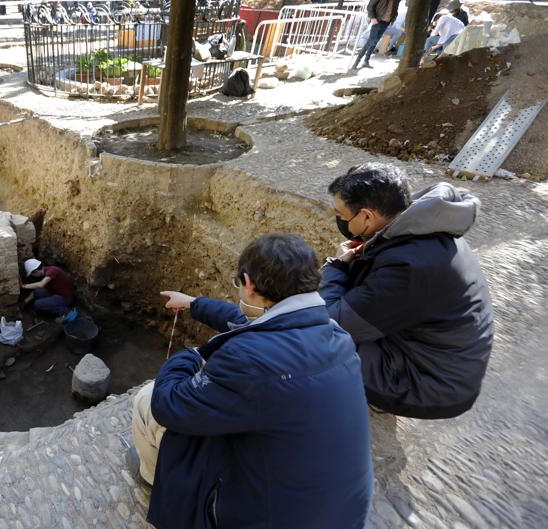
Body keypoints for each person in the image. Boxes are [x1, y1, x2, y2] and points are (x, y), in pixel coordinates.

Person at [131, 233, 373, 529]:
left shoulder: (249, 362)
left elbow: (170, 405)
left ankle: (152, 476)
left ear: (249, 284)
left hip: (261, 518)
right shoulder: (336, 333)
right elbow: (253, 322)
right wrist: (195, 304)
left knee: (147, 398)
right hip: (339, 514)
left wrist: (190, 357)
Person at [320, 163, 493, 419]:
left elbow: (331, 322)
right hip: (441, 358)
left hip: (431, 385)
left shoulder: (409, 266)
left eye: (343, 215)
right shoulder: (425, 226)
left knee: (314, 340)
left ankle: (373, 399)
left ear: (367, 216)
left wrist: (335, 266)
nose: (341, 222)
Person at [22, 258, 78, 323]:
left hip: (66, 297)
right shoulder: (46, 273)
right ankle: (52, 304)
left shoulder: (52, 270)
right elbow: (36, 290)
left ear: (36, 271)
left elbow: (41, 284)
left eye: (32, 274)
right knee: (38, 291)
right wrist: (25, 301)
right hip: (57, 293)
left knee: (37, 303)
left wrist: (24, 286)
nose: (33, 276)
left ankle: (66, 312)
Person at [351, 0, 402, 70]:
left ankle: (366, 61)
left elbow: (395, 10)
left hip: (386, 23)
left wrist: (392, 20)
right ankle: (356, 63)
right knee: (370, 42)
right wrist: (373, 18)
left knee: (375, 42)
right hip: (377, 21)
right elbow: (370, 6)